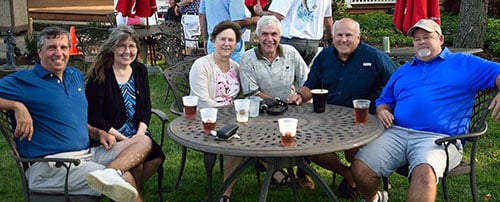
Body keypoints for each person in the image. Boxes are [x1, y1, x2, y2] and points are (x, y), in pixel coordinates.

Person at [350, 19, 500, 202]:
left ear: (441, 39)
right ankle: (374, 199)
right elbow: (384, 101)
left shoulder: (463, 63)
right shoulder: (403, 71)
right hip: (396, 133)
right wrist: (382, 110)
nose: (421, 41)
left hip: (439, 139)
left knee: (424, 174)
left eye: (427, 36)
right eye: (417, 39)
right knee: (360, 167)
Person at [0, 26, 151, 202]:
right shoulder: (24, 81)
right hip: (51, 166)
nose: (58, 53)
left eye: (63, 47)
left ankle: (110, 173)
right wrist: (17, 106)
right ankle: (112, 175)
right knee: (125, 179)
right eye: (51, 47)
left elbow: (73, 119)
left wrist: (98, 132)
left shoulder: (75, 75)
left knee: (143, 141)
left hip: (87, 154)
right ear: (39, 52)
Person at [288, 18, 397, 198]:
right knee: (307, 145)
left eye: (349, 35)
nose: (343, 39)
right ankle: (348, 174)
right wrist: (300, 95)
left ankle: (363, 179)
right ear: (332, 36)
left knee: (354, 150)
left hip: (364, 120)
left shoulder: (375, 57)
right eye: (339, 35)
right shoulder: (324, 56)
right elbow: (310, 84)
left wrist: (385, 108)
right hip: (329, 117)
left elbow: (397, 84)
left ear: (358, 37)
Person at [85, 26, 165, 194]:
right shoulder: (99, 75)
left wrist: (139, 135)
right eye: (122, 46)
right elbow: (95, 118)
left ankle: (126, 192)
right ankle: (131, 193)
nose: (127, 51)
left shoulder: (140, 70)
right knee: (136, 162)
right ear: (113, 48)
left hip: (137, 132)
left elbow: (145, 108)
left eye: (132, 46)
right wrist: (125, 139)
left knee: (157, 156)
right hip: (110, 135)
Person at [239, 15, 308, 186]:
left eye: (274, 34)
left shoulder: (291, 53)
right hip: (261, 112)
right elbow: (251, 92)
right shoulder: (248, 58)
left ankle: (302, 173)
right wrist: (279, 101)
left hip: (292, 109)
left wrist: (298, 95)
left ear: (280, 36)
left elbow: (306, 81)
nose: (269, 39)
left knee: (308, 130)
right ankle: (272, 167)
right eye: (264, 34)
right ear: (257, 36)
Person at [189, 21, 241, 202]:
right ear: (213, 40)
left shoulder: (236, 67)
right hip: (206, 119)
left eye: (231, 40)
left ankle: (268, 164)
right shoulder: (201, 65)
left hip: (232, 119)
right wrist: (229, 113)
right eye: (222, 39)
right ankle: (225, 196)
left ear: (236, 44)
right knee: (236, 144)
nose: (227, 43)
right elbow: (202, 101)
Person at [254, 0, 333, 65]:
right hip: (312, 44)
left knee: (282, 78)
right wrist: (329, 37)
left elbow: (278, 15)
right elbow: (327, 18)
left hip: (291, 41)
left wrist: (260, 12)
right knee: (302, 78)